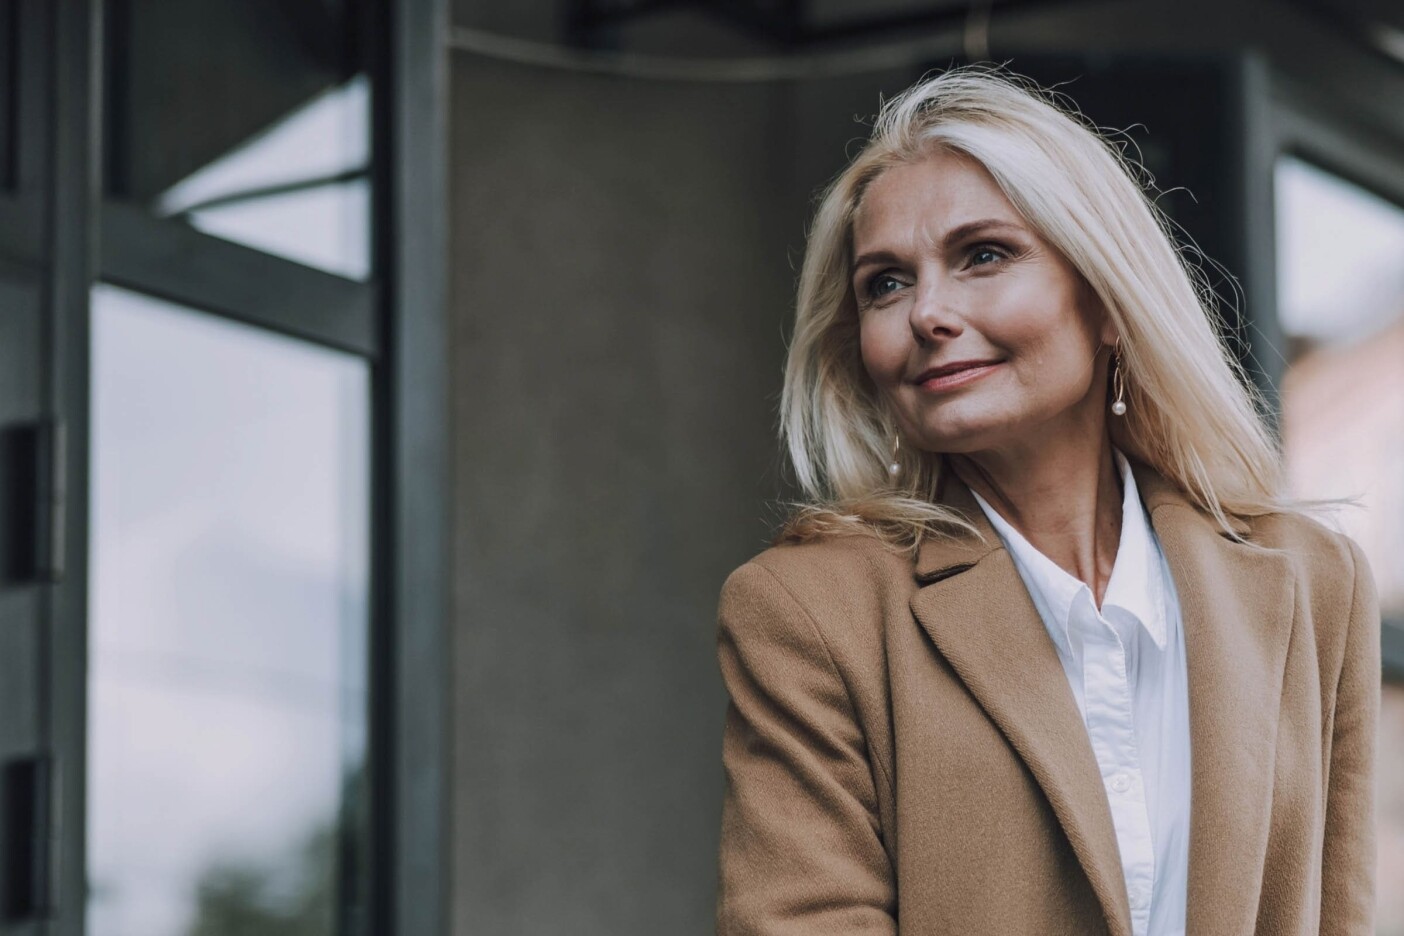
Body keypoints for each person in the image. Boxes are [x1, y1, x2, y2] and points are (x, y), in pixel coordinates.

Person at [713, 63, 1380, 936]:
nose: (928, 313)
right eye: (887, 282)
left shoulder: (1310, 580)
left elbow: (1339, 914)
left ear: (1105, 297)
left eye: (983, 255)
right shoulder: (809, 612)